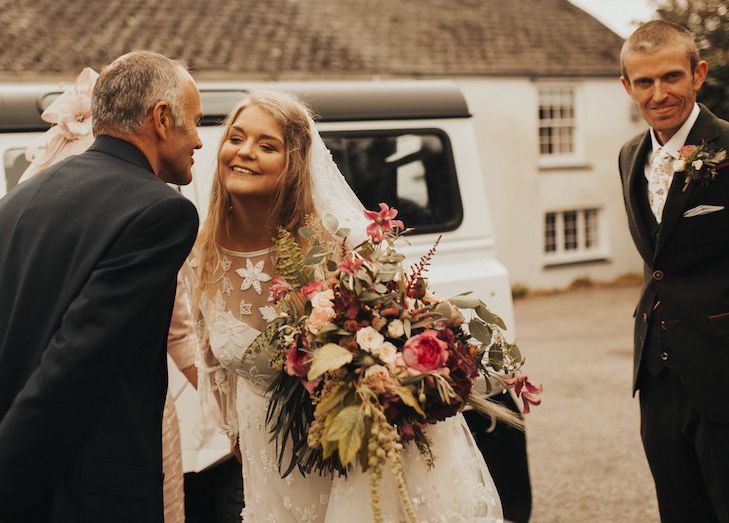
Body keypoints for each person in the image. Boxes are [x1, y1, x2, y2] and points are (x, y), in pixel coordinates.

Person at [183, 89, 503, 522]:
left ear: (294, 162)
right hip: (268, 452)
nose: (245, 152)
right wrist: (234, 432)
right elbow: (212, 359)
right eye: (236, 138)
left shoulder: (342, 245)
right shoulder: (201, 255)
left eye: (267, 145)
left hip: (357, 455)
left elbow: (408, 334)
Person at [0, 50, 202, 522]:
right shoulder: (160, 212)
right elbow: (79, 363)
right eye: (194, 122)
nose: (199, 140)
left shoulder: (20, 201)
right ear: (162, 118)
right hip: (86, 492)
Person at [618, 20, 729, 522]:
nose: (659, 94)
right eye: (645, 82)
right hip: (658, 376)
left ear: (698, 74)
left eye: (671, 77)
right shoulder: (627, 157)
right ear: (627, 86)